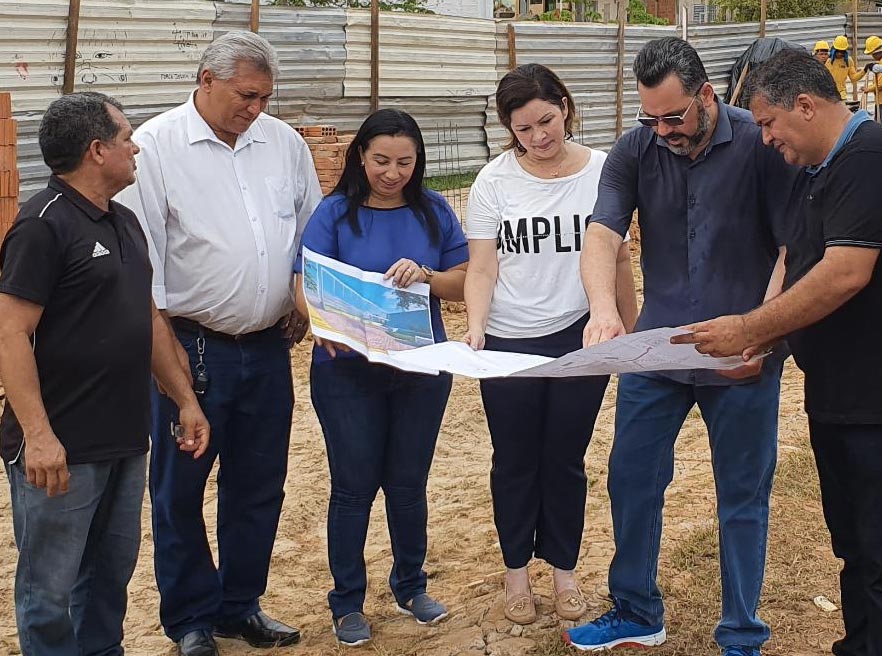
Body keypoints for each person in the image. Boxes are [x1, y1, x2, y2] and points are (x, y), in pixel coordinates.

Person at [675, 48, 882, 656]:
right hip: (839, 394)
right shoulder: (818, 170)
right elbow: (795, 258)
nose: (763, 138)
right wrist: (764, 338)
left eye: (768, 124)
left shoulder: (874, 158)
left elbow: (845, 273)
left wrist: (747, 326)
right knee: (854, 545)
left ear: (805, 105)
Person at [564, 37, 797, 656]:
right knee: (630, 477)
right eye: (651, 118)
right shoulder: (635, 149)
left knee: (742, 493)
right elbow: (602, 232)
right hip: (659, 349)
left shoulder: (760, 142)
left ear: (707, 97)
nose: (663, 130)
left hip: (742, 352)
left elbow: (790, 248)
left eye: (674, 116)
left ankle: (742, 633)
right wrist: (606, 312)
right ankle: (637, 609)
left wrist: (764, 329)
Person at [116, 31, 321, 656]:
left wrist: (300, 298)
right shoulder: (154, 148)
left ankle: (240, 606)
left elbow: (312, 235)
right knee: (180, 488)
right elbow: (138, 265)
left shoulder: (283, 144)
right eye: (245, 95)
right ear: (206, 80)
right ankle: (190, 620)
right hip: (189, 347)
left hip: (267, 347)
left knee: (260, 484)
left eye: (265, 97)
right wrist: (166, 364)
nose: (256, 108)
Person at [0, 93, 210, 655]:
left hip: (124, 437)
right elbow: (10, 334)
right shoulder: (42, 226)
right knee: (49, 587)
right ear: (97, 151)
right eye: (124, 138)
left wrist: (184, 399)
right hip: (62, 447)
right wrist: (39, 436)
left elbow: (147, 318)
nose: (135, 146)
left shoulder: (125, 222)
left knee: (109, 576)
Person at [463, 64, 637, 626]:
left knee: (565, 459)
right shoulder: (493, 182)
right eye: (524, 129)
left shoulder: (604, 171)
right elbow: (483, 266)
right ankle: (517, 575)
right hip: (508, 341)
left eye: (546, 120)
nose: (539, 137)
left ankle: (564, 572)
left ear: (564, 105)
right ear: (508, 131)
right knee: (514, 460)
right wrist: (475, 325)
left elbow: (620, 256)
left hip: (578, 335)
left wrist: (631, 330)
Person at [294, 108, 468, 647]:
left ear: (418, 163)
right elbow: (304, 280)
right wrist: (319, 321)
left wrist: (428, 275)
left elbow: (464, 281)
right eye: (381, 161)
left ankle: (411, 586)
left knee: (408, 483)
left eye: (405, 162)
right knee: (353, 486)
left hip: (419, 369)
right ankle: (347, 601)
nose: (392, 173)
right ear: (360, 157)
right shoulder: (335, 213)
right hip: (347, 372)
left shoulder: (435, 211)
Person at [826, 35, 862, 103]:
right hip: (828, 95)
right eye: (838, 51)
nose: (840, 53)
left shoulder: (848, 61)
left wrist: (864, 71)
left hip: (842, 95)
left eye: (842, 51)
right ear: (834, 49)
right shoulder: (827, 60)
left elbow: (853, 78)